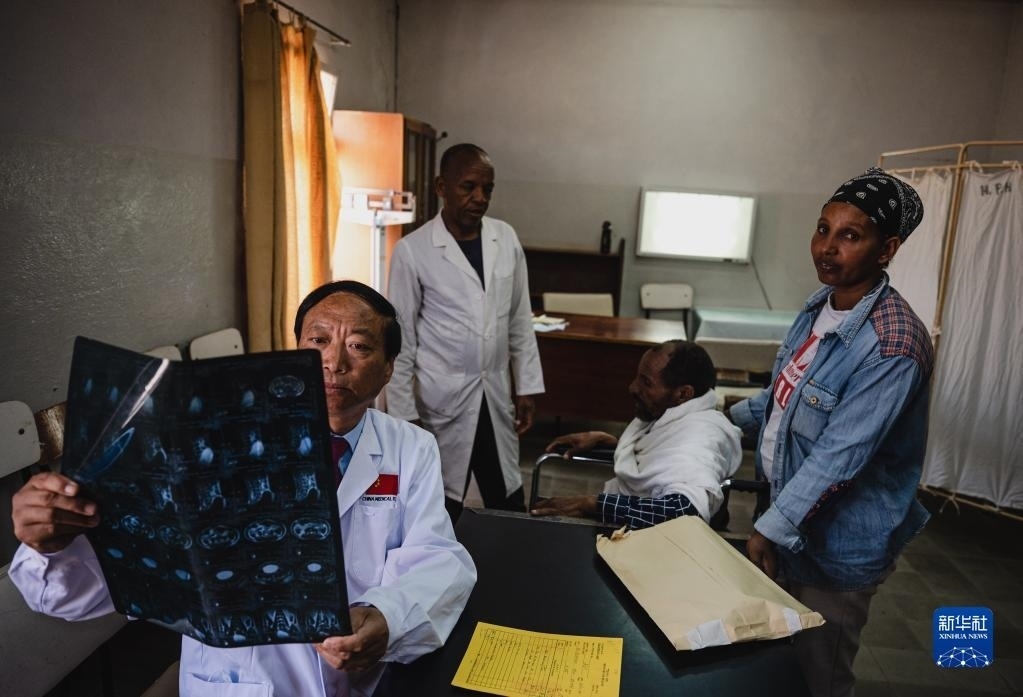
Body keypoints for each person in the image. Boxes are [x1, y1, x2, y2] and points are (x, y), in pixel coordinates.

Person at [9, 280, 477, 697]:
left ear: (388, 367)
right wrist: (50, 545)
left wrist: (388, 617)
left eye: (358, 346)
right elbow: (84, 591)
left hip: (367, 679)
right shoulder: (214, 448)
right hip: (242, 683)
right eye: (318, 341)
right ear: (295, 350)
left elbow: (438, 558)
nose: (334, 363)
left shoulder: (410, 448)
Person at [728, 168, 931, 697]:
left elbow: (840, 456)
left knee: (818, 675)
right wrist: (718, 419)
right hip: (784, 518)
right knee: (773, 666)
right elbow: (782, 396)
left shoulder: (892, 344)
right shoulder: (821, 306)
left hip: (834, 546)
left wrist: (771, 528)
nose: (827, 247)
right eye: (823, 229)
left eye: (850, 235)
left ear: (886, 250)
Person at [386, 143, 544, 521]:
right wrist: (404, 415)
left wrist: (526, 386)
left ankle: (510, 556)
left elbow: (519, 319)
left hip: (494, 395)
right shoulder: (413, 251)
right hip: (441, 402)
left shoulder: (505, 238)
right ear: (442, 187)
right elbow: (401, 341)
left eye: (487, 189)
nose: (480, 198)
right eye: (468, 187)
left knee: (507, 499)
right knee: (439, 504)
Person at [530, 340, 742, 529]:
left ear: (683, 393)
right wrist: (616, 444)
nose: (632, 387)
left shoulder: (701, 438)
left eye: (646, 383)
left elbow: (684, 513)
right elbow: (663, 453)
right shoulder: (677, 415)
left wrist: (592, 505)